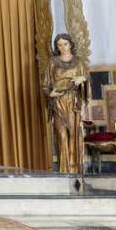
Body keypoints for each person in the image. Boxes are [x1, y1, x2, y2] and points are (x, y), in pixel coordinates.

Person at [43, 33, 87, 173]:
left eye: (65, 44)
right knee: (61, 135)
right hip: (58, 102)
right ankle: (63, 171)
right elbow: (46, 84)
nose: (63, 47)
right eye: (59, 45)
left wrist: (82, 81)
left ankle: (75, 170)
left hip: (73, 102)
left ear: (71, 44)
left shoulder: (78, 62)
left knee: (73, 135)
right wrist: (50, 93)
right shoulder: (53, 62)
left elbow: (87, 81)